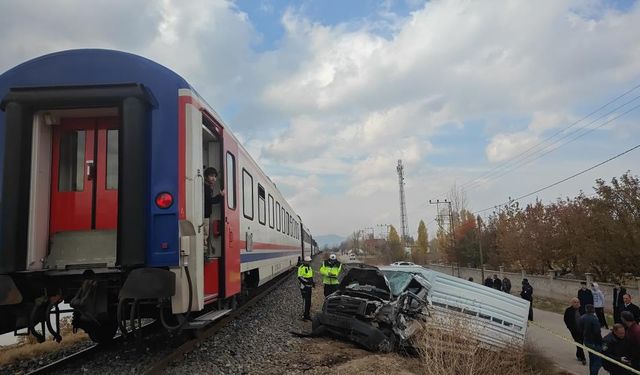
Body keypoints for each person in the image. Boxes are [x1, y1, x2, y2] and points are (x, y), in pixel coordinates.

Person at [203, 167, 223, 253]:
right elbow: (210, 201)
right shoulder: (206, 187)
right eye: (211, 176)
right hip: (204, 216)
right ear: (206, 177)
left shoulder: (207, 187)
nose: (214, 178)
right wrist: (220, 195)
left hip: (205, 215)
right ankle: (204, 254)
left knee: (205, 235)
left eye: (215, 176)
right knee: (205, 235)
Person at [578, 304, 603, 375]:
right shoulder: (594, 318)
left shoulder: (582, 317)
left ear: (586, 310)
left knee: (592, 359)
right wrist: (601, 342)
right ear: (593, 310)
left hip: (587, 341)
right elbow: (597, 332)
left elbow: (579, 330)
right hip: (595, 342)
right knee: (597, 361)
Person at [563, 298, 586, 365]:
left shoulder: (582, 309)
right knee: (579, 343)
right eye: (575, 302)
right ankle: (583, 358)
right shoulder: (568, 310)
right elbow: (565, 319)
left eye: (578, 302)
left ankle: (578, 354)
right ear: (572, 303)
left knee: (580, 343)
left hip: (582, 330)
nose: (577, 303)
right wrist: (569, 327)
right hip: (574, 330)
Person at [297, 256, 315, 321]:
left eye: (309, 261)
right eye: (308, 261)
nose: (309, 262)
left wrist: (312, 282)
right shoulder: (301, 267)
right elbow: (299, 277)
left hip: (309, 287)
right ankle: (303, 315)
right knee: (305, 301)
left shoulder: (309, 267)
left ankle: (307, 314)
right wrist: (306, 281)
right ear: (305, 261)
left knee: (309, 301)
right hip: (304, 287)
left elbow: (310, 276)